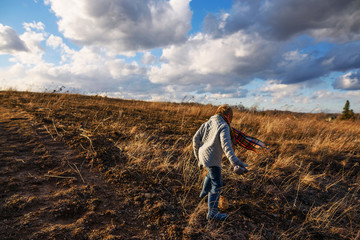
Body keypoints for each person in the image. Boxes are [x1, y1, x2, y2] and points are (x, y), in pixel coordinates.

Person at [193, 104, 248, 221]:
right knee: (217, 184)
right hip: (211, 158)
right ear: (228, 116)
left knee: (210, 175)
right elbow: (227, 147)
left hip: (202, 154)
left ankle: (203, 194)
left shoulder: (207, 123)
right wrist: (236, 162)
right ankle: (212, 213)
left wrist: (197, 156)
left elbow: (195, 139)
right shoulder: (223, 126)